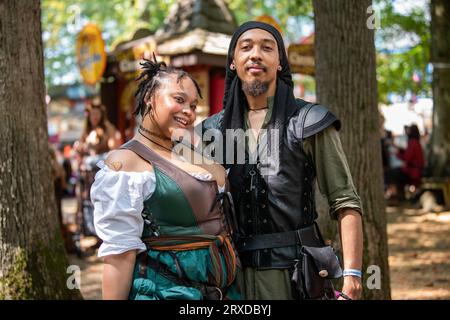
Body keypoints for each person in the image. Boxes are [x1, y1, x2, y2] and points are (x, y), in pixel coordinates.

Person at [199, 21, 364, 300]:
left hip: (296, 276)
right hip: (232, 277)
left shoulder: (308, 121)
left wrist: (353, 277)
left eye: (267, 47)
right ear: (232, 62)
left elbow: (345, 200)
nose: (255, 54)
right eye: (246, 47)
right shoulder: (210, 132)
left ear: (279, 63)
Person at [91, 57, 241, 300]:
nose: (188, 112)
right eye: (179, 99)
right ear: (150, 98)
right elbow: (120, 254)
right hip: (167, 292)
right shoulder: (126, 163)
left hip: (226, 291)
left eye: (193, 105)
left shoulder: (189, 152)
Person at [386, 124, 424, 201]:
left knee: (390, 174)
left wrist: (397, 153)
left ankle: (394, 196)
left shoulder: (413, 142)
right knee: (394, 173)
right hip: (414, 171)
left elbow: (407, 158)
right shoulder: (416, 142)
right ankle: (398, 196)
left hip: (412, 172)